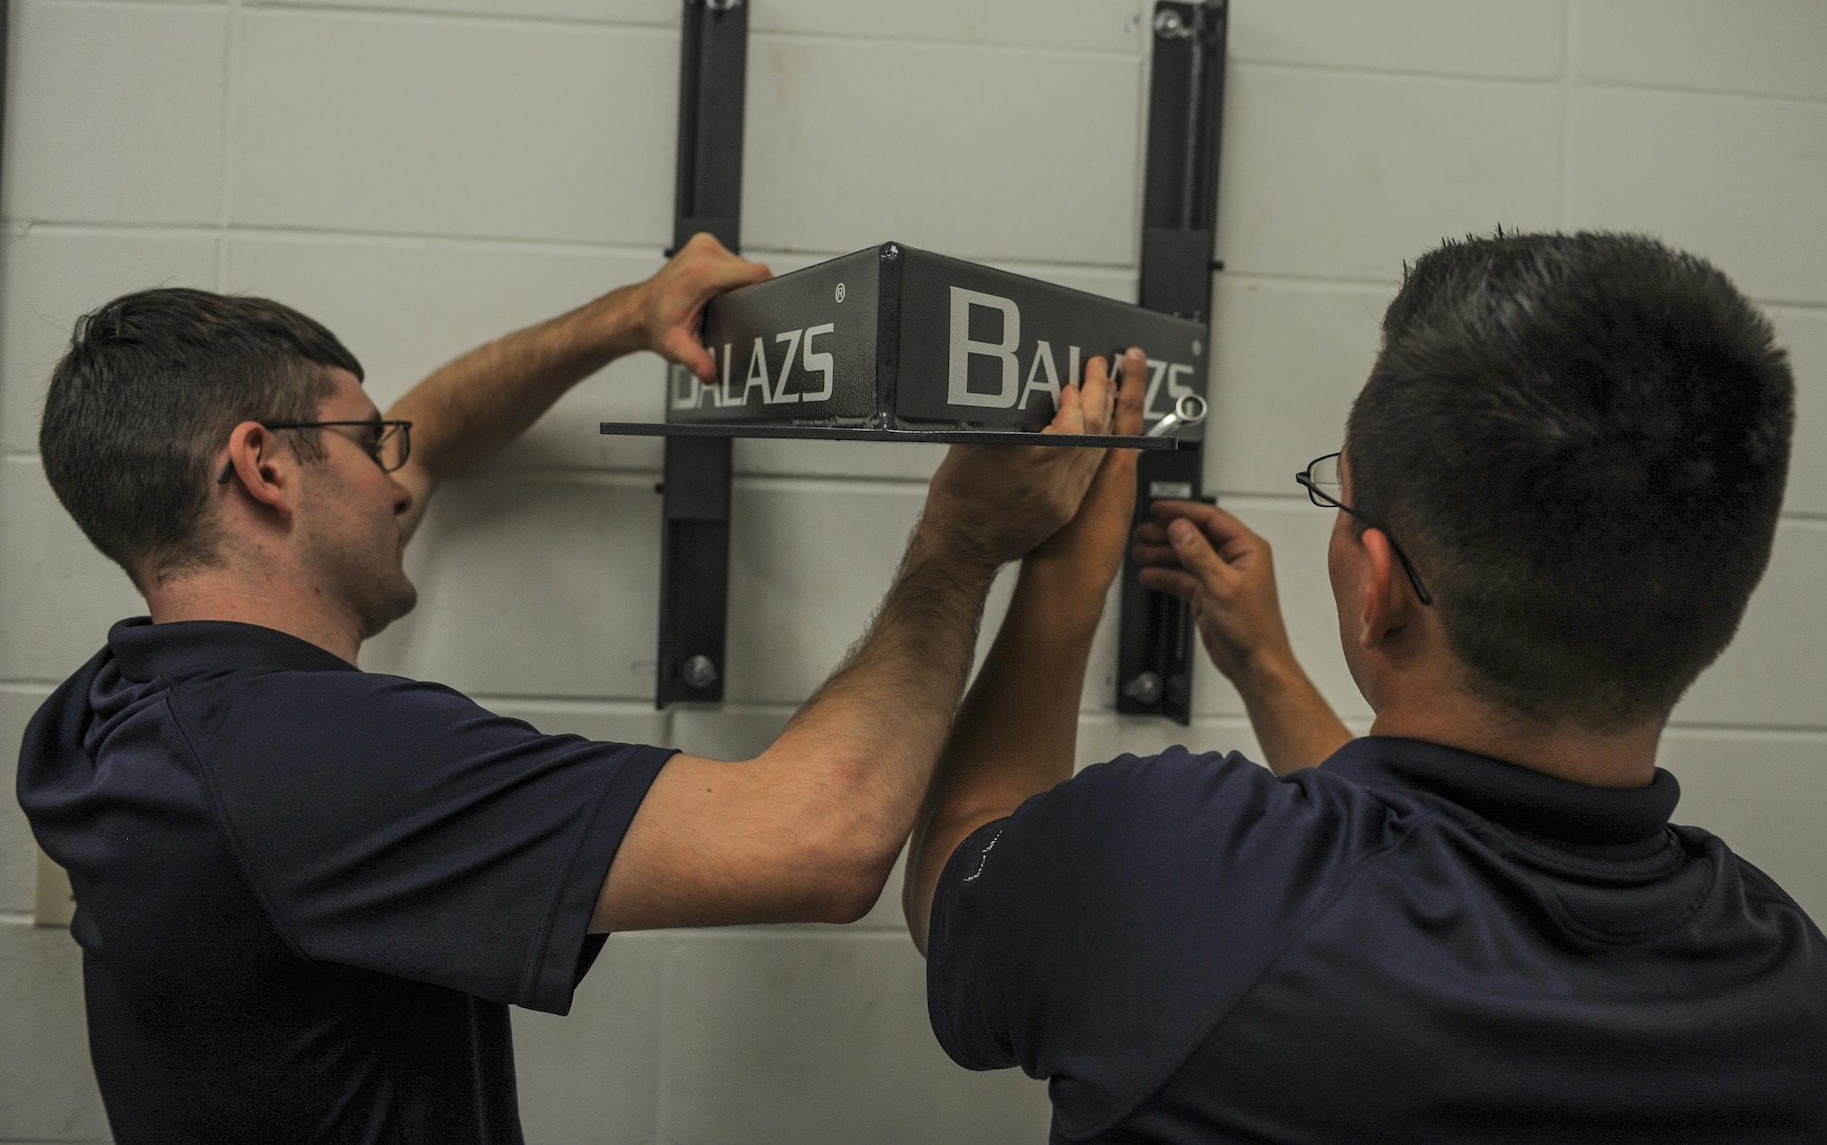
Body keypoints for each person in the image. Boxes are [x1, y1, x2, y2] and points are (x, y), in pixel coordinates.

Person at [17, 230, 1140, 1143]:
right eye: (371, 443)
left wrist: (625, 318)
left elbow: (434, 437)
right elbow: (822, 836)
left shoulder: (115, 709)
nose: (397, 480)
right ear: (264, 468)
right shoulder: (308, 758)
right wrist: (962, 540)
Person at [903, 231, 1827, 1142]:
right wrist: (1266, 666)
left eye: (1336, 496)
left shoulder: (1173, 864)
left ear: (1373, 586)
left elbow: (957, 871)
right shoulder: (1800, 1006)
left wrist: (1060, 569)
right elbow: (1445, 858)